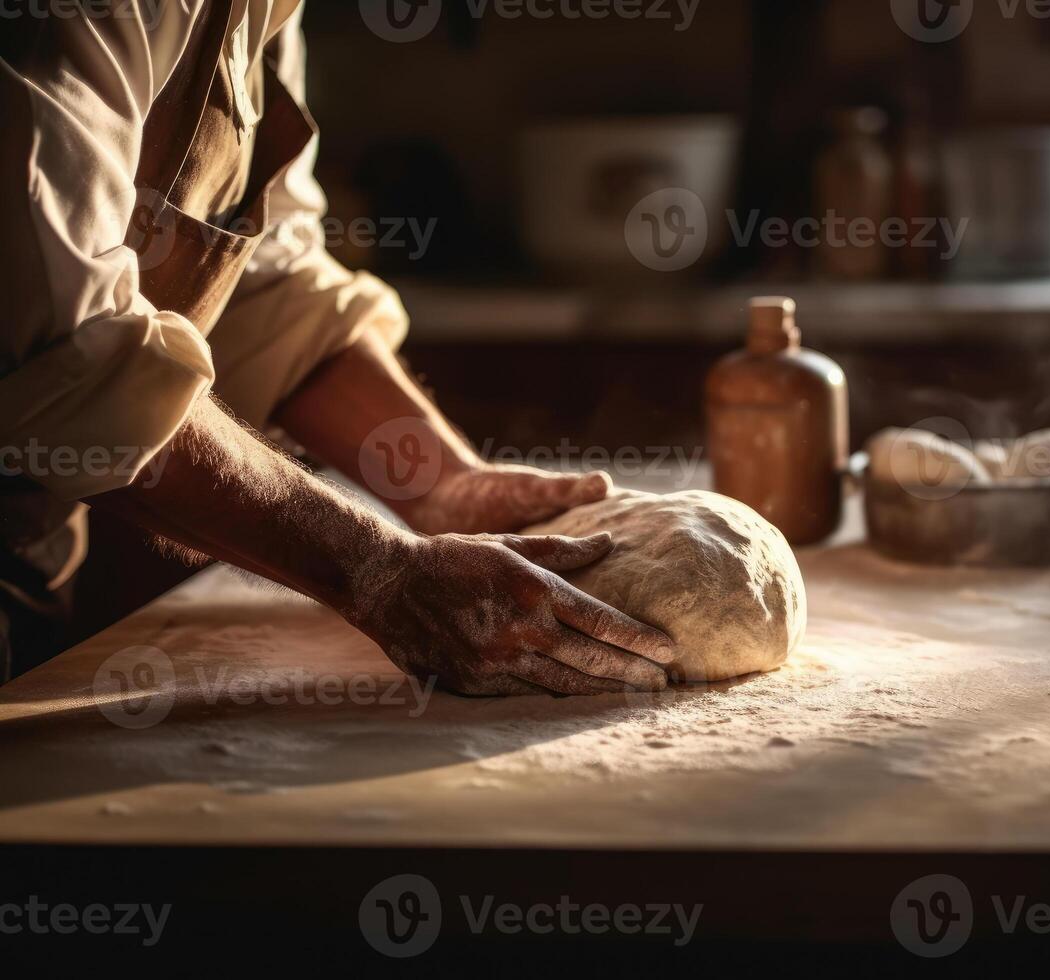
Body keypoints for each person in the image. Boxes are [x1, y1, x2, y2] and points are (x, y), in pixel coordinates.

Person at [0, 1, 674, 694]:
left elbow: (266, 287)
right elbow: (68, 346)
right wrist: (377, 568)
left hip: (30, 555)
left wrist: (444, 484)